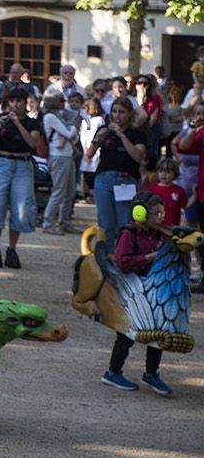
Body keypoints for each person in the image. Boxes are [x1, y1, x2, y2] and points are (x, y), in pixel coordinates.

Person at [100, 191, 174, 395]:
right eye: (156, 214)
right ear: (140, 213)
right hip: (131, 288)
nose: (161, 217)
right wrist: (150, 257)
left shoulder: (159, 234)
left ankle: (151, 374)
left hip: (152, 289)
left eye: (162, 213)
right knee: (128, 333)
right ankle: (112, 373)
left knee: (159, 331)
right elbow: (122, 262)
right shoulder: (129, 234)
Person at [0, 88, 44, 268]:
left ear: (25, 103)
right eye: (12, 101)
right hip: (2, 162)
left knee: (21, 207)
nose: (15, 105)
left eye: (19, 101)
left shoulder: (32, 123)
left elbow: (33, 143)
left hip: (23, 165)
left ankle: (12, 249)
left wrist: (17, 124)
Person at [87, 97, 146, 240]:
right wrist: (97, 140)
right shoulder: (105, 130)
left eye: (121, 112)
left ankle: (122, 256)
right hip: (103, 178)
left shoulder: (136, 133)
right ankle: (106, 256)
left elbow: (138, 157)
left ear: (129, 114)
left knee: (124, 222)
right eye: (114, 111)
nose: (117, 115)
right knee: (105, 223)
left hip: (125, 179)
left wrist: (122, 135)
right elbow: (89, 154)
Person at [39, 92, 79, 234]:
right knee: (59, 191)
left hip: (67, 156)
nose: (64, 103)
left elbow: (72, 138)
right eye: (61, 101)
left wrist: (72, 130)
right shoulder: (50, 117)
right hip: (58, 157)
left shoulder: (59, 116)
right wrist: (74, 125)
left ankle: (64, 222)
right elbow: (69, 134)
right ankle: (48, 223)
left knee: (70, 191)